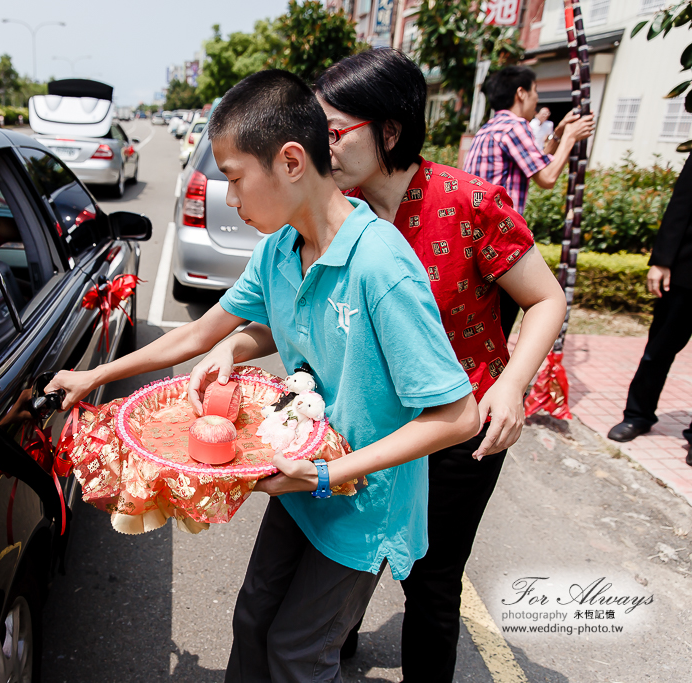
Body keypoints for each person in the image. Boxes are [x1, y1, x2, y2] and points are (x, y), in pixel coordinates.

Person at [46, 69, 480, 682]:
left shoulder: (381, 266)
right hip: (305, 476)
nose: (230, 198)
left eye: (234, 177)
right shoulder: (281, 249)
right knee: (252, 619)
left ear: (292, 161)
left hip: (361, 494)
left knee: (299, 652)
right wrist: (97, 376)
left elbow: (457, 415)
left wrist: (329, 473)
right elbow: (201, 334)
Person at [189, 50, 566, 683]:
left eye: (333, 130)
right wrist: (232, 343)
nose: (319, 143)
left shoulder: (469, 203)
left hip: (457, 424)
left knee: (432, 586)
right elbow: (301, 309)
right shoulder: (333, 207)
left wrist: (511, 385)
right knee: (319, 603)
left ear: (389, 131)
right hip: (357, 426)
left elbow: (546, 297)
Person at [464, 65, 594, 342]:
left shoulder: (490, 128)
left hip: (475, 239)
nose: (537, 100)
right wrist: (571, 138)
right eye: (535, 91)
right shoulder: (514, 126)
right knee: (527, 308)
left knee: (483, 325)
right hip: (500, 241)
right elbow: (546, 176)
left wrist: (558, 135)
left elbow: (534, 162)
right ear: (521, 93)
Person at [608, 154, 692, 464]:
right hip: (686, 271)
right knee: (658, 349)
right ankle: (638, 415)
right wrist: (662, 260)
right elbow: (682, 202)